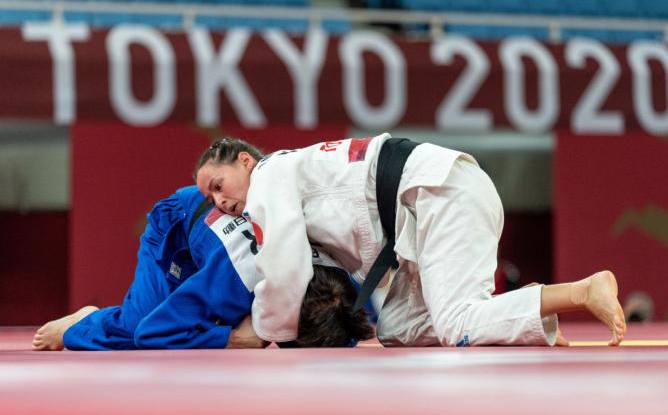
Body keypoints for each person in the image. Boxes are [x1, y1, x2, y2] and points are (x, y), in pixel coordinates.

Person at [194, 135, 626, 348]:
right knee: (399, 330)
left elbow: (284, 266)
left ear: (246, 161)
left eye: (217, 184)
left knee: (458, 321)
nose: (218, 199)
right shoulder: (292, 175)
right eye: (209, 197)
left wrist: (263, 331)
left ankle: (583, 290)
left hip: (435, 194)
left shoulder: (269, 175)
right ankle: (531, 309)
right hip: (420, 212)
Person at [32, 185, 373, 351]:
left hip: (219, 232)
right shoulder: (233, 282)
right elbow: (152, 332)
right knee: (138, 324)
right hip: (176, 225)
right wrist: (233, 339)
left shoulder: (335, 275)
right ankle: (81, 324)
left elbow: (342, 320)